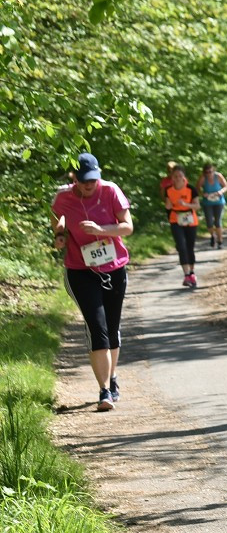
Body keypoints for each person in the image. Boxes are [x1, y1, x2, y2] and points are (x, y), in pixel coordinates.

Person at [51, 153, 133, 411]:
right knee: (97, 329)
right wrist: (60, 236)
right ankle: (104, 390)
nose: (90, 185)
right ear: (75, 178)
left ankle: (112, 376)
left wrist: (101, 230)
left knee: (112, 326)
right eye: (85, 180)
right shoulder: (63, 197)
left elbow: (127, 227)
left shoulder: (110, 191)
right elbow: (57, 223)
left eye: (93, 179)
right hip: (80, 270)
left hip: (114, 268)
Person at [165, 166, 200, 287]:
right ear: (172, 178)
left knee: (190, 247)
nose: (178, 178)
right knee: (181, 246)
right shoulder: (168, 190)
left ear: (184, 177)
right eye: (175, 176)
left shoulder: (191, 189)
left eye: (180, 176)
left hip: (190, 219)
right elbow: (168, 205)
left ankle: (192, 273)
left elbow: (197, 206)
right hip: (176, 219)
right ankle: (186, 275)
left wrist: (186, 204)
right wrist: (168, 205)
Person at [196, 163, 227, 248]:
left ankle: (220, 241)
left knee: (217, 221)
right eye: (207, 172)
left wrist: (220, 192)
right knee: (209, 222)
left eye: (210, 171)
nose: (209, 173)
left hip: (219, 201)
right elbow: (197, 187)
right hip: (207, 202)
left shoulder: (218, 176)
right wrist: (203, 193)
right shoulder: (203, 178)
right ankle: (212, 236)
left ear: (213, 170)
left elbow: (226, 187)